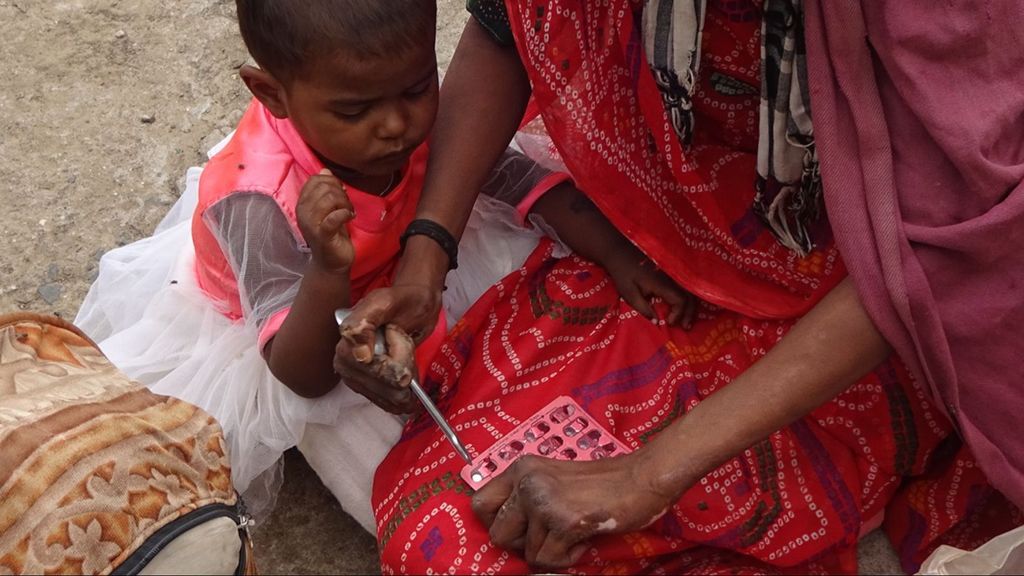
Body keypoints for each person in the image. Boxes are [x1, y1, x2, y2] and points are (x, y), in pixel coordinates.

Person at [335, 0, 1024, 573]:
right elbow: (507, 28)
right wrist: (427, 254)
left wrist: (647, 476)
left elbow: (938, 248)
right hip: (675, 233)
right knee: (452, 530)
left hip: (871, 287)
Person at [74, 0, 589, 528]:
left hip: (398, 252)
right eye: (354, 112)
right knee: (408, 475)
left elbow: (499, 170)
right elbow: (303, 376)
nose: (396, 126)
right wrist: (327, 269)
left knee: (541, 315)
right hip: (305, 321)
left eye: (417, 89)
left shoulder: (391, 105)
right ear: (271, 94)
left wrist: (619, 253)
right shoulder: (254, 203)